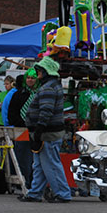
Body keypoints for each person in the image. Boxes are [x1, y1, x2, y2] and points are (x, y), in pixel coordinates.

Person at [18, 57, 71, 203]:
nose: (38, 72)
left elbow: (46, 111)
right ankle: (34, 193)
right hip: (45, 133)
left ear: (48, 72)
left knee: (51, 164)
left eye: (40, 70)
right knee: (40, 165)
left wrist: (39, 131)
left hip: (47, 134)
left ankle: (63, 194)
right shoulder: (51, 85)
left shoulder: (48, 88)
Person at [5, 74, 35, 188]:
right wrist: (22, 124)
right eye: (28, 78)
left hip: (29, 130)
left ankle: (28, 182)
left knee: (27, 158)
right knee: (23, 158)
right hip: (20, 130)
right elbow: (11, 113)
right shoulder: (17, 94)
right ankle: (24, 182)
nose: (30, 80)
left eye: (33, 78)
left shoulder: (35, 94)